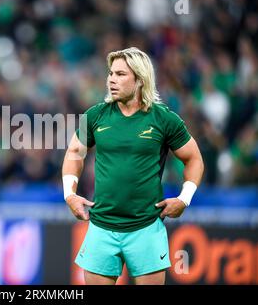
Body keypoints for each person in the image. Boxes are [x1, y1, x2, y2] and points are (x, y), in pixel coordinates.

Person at [62, 47, 204, 285]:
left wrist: (184, 198)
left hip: (146, 228)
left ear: (139, 80)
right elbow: (74, 152)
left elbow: (194, 158)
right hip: (101, 227)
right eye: (110, 73)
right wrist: (69, 195)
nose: (111, 80)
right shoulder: (96, 115)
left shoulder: (163, 118)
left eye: (120, 74)